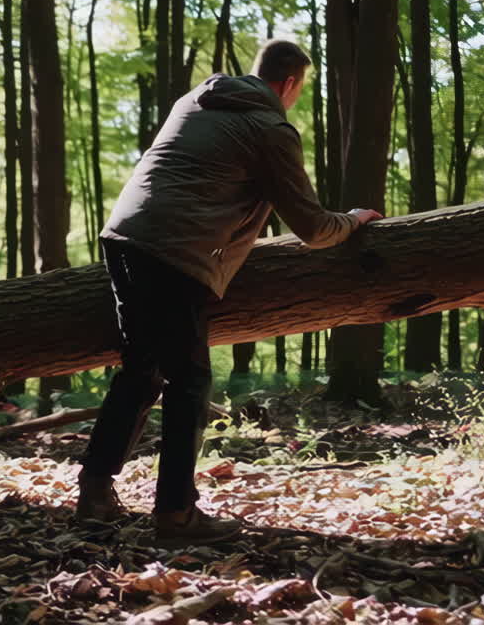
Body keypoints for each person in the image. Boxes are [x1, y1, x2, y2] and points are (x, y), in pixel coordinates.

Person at [76, 40, 383, 544]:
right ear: (289, 84)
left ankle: (94, 494)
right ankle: (176, 514)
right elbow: (311, 227)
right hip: (177, 251)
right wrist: (352, 220)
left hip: (124, 237)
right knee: (189, 382)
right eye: (298, 91)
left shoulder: (195, 99)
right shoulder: (270, 129)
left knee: (142, 368)